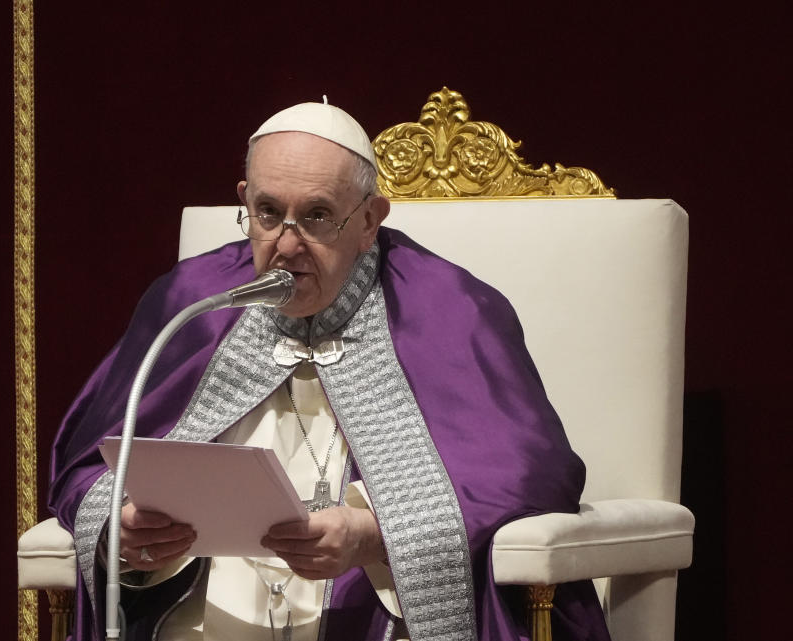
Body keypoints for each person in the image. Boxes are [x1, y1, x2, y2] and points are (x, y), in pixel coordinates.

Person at [48, 101, 610, 641]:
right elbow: (85, 469)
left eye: (317, 216)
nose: (287, 245)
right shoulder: (191, 304)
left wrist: (373, 535)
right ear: (244, 200)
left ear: (370, 219)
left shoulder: (453, 311)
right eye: (268, 213)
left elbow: (534, 476)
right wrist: (122, 532)